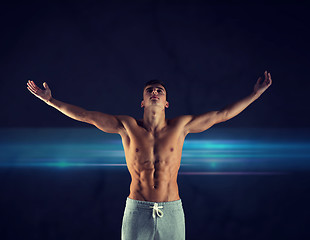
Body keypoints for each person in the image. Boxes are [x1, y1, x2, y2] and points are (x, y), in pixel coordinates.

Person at [27, 71, 272, 240]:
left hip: (172, 211)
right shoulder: (127, 126)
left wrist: (256, 94)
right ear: (142, 102)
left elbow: (222, 114)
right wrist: (52, 102)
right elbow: (86, 115)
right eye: (149, 90)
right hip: (137, 210)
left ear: (166, 103)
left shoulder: (181, 126)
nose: (155, 91)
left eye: (160, 90)